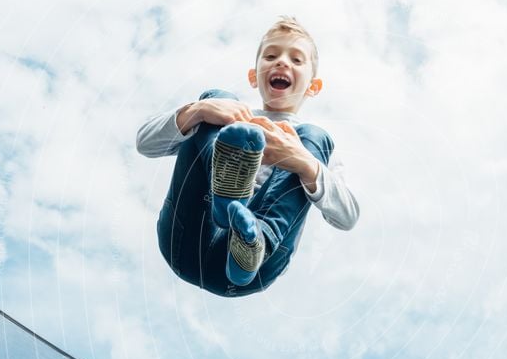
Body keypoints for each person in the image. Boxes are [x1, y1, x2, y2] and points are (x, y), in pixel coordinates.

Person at [137, 16, 359, 298]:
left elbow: (347, 217)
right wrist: (199, 111)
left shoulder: (310, 143)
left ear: (313, 86)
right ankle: (224, 201)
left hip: (253, 267)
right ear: (253, 77)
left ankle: (254, 237)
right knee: (218, 98)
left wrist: (303, 162)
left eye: (296, 59)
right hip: (187, 237)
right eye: (271, 56)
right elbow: (145, 143)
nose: (282, 63)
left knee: (316, 137)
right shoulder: (228, 114)